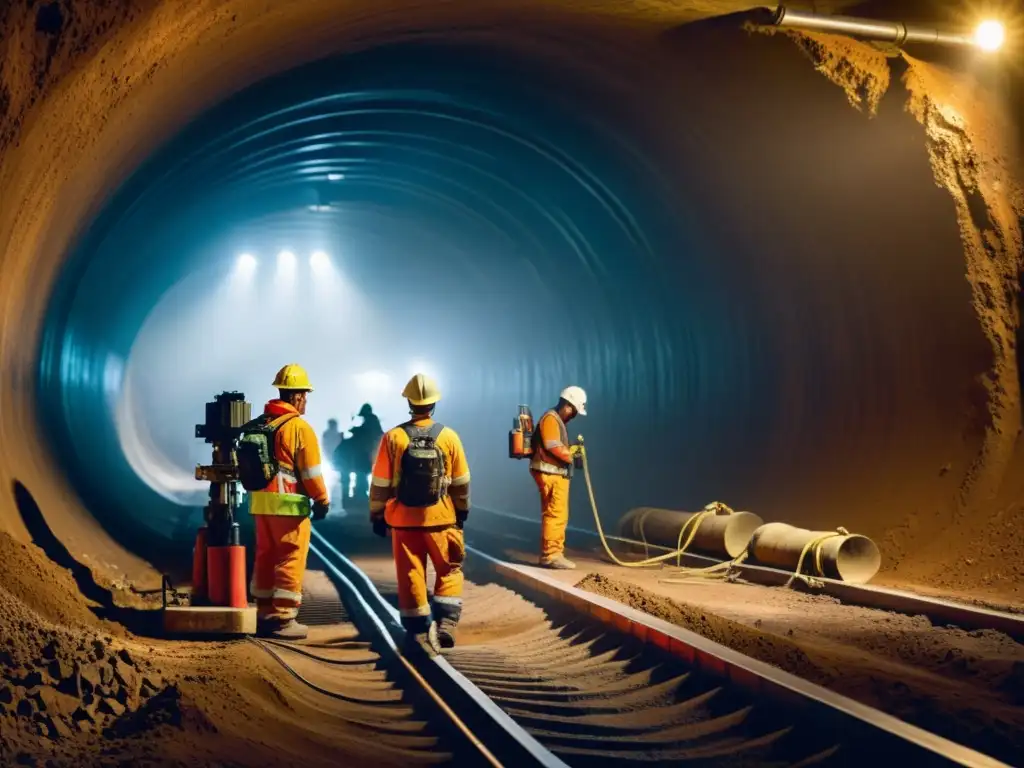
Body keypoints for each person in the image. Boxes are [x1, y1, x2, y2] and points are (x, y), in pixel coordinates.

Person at [369, 374, 471, 654]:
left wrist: (377, 514)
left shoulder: (393, 437)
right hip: (441, 520)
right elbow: (462, 482)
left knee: (411, 573)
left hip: (403, 521)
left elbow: (379, 483)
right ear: (434, 403)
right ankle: (447, 624)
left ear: (409, 403)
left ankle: (417, 629)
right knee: (449, 569)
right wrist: (461, 511)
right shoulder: (449, 437)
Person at [249, 364, 331, 640]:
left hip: (261, 503)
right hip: (288, 505)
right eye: (305, 395)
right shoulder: (298, 428)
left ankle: (263, 611)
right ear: (296, 396)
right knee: (289, 556)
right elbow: (311, 473)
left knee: (265, 555)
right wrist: (321, 499)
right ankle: (283, 617)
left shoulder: (263, 423)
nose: (306, 400)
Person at [530, 386, 587, 570]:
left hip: (555, 473)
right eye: (575, 411)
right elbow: (552, 445)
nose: (574, 416)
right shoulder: (551, 419)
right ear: (568, 405)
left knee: (558, 514)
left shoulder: (556, 421)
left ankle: (554, 552)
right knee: (555, 514)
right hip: (550, 473)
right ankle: (551, 555)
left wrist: (571, 450)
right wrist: (571, 453)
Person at [348, 403, 384, 501]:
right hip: (369, 451)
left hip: (368, 452)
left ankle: (362, 493)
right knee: (363, 473)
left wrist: (355, 430)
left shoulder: (370, 421)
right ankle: (363, 493)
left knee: (362, 472)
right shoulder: (372, 421)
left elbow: (366, 433)